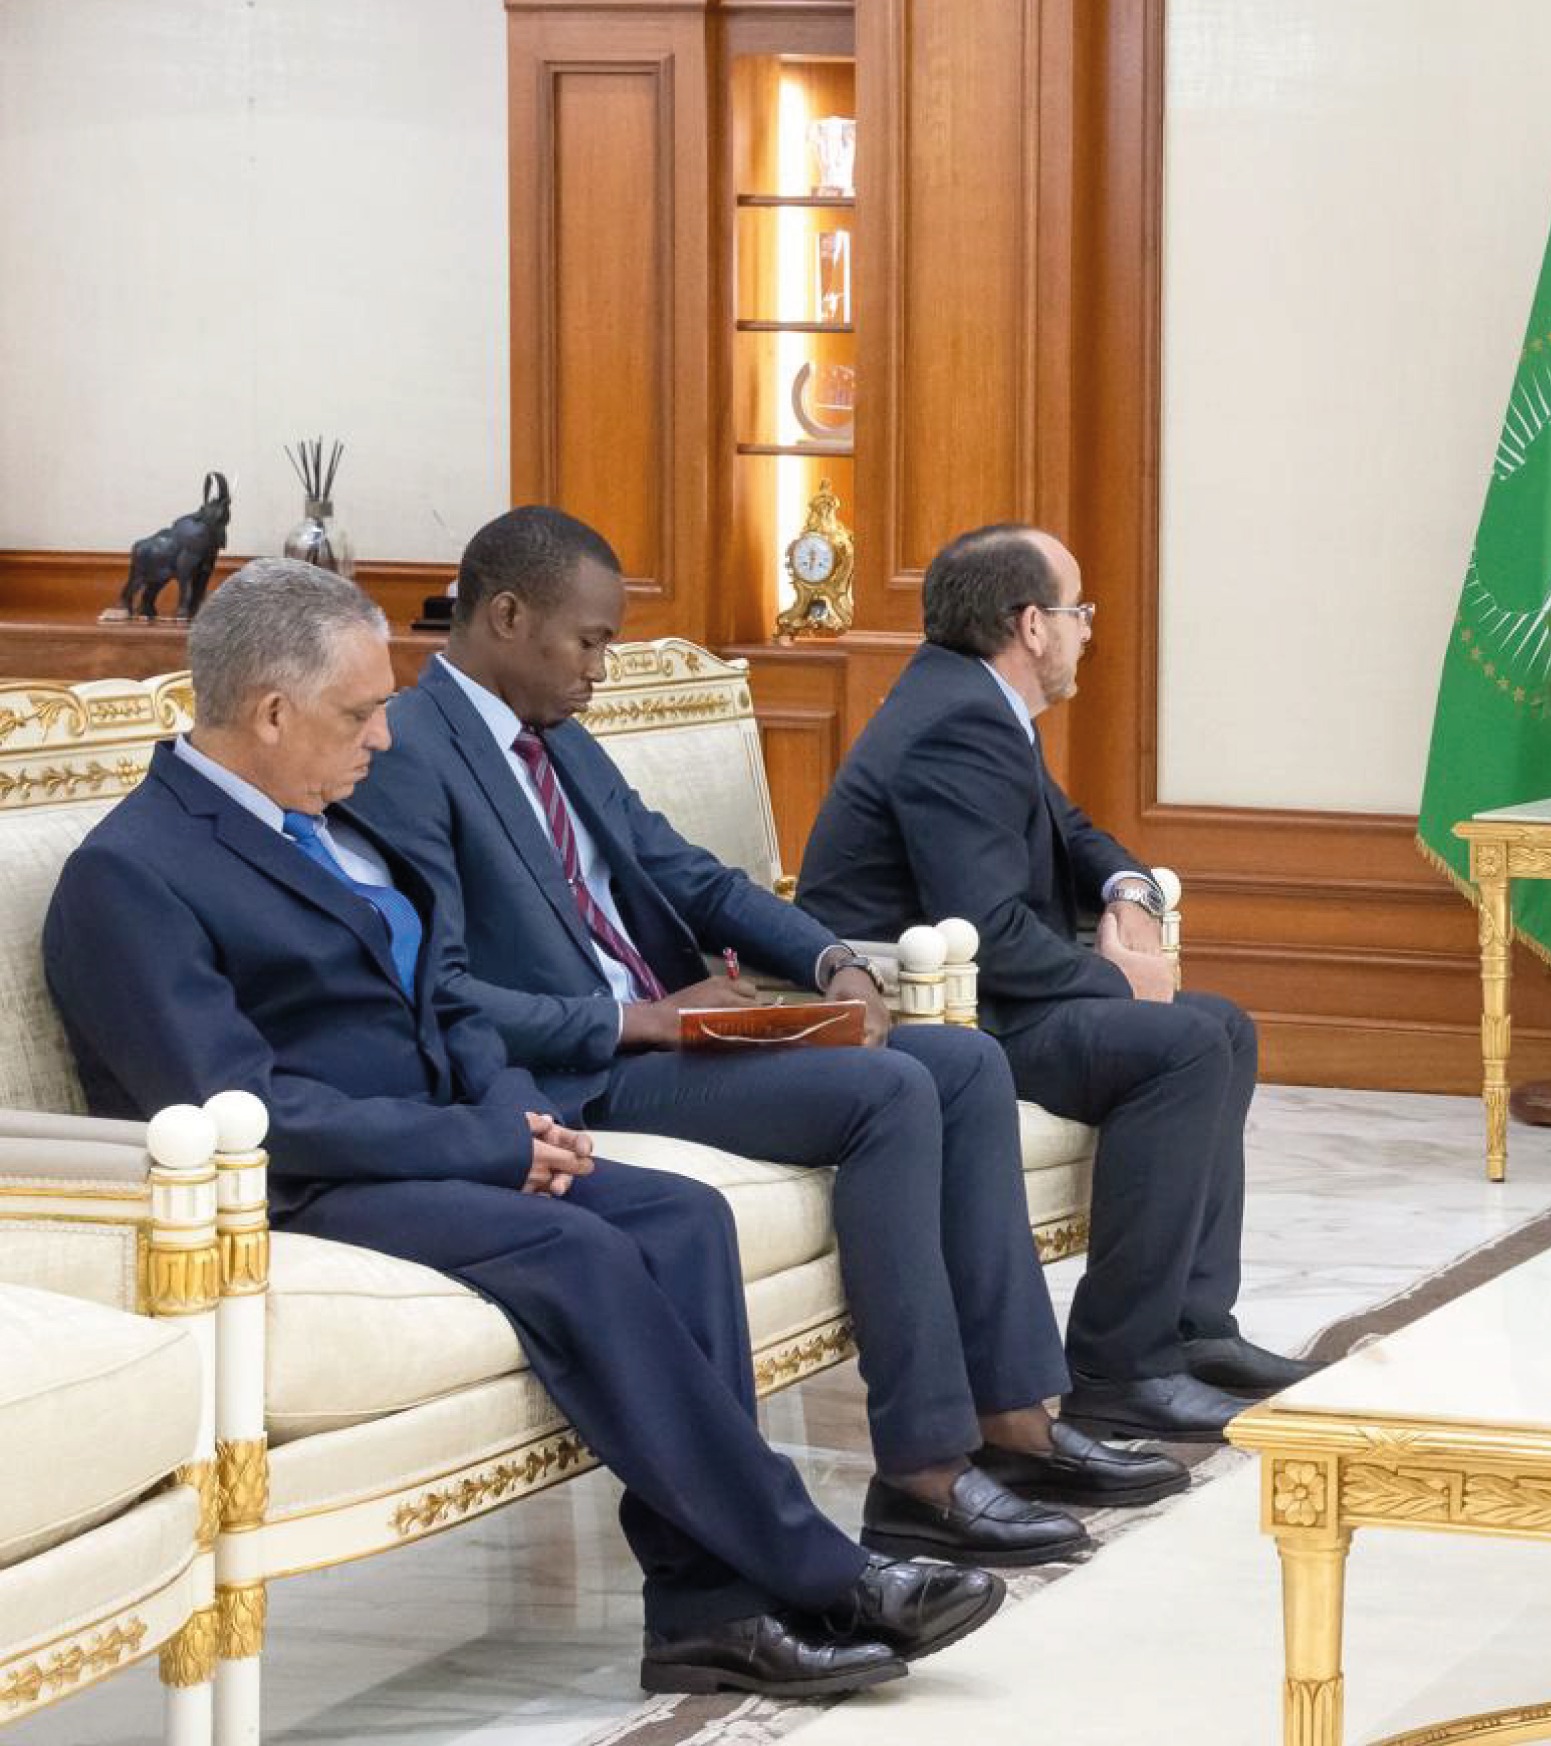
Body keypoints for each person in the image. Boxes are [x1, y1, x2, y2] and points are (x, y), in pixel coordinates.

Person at [41, 558, 1000, 1697]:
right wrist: (485, 1149)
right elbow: (253, 1111)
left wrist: (517, 1117)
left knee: (685, 1220)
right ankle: (819, 1569)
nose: (384, 741)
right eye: (360, 714)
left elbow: (445, 999)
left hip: (451, 1142)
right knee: (585, 1247)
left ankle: (706, 1615)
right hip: (306, 1189)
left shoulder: (336, 819)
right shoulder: (130, 876)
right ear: (270, 712)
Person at [345, 507, 1184, 1568]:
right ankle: (922, 1472)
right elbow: (444, 990)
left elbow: (688, 874)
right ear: (507, 616)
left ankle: (1012, 1416)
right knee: (887, 1094)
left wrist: (829, 956)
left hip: (684, 1026)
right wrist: (637, 1019)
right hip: (588, 1069)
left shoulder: (553, 733)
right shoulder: (411, 751)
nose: (602, 667)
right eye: (591, 640)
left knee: (962, 1062)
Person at [795, 524, 1315, 1442]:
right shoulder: (957, 723)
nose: (1088, 632)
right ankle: (1122, 1365)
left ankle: (1193, 1329)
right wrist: (1119, 983)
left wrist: (1127, 889)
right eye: (1079, 613)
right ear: (1031, 626)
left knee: (1222, 1027)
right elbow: (986, 931)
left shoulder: (978, 701)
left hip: (985, 990)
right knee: (1186, 1043)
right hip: (940, 1016)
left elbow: (1071, 832)